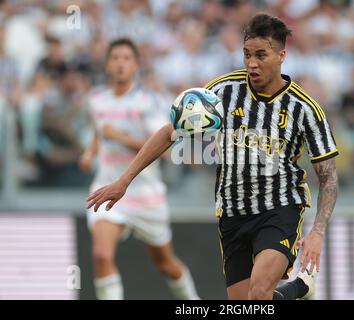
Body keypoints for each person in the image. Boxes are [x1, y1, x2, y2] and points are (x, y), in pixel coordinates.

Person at [87, 14, 339, 300]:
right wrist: (124, 180)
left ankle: (296, 287)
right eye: (246, 54)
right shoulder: (222, 91)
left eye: (261, 55)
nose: (251, 63)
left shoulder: (304, 108)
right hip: (232, 213)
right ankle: (300, 288)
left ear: (282, 55)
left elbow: (328, 177)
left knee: (258, 295)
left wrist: (317, 231)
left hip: (280, 207)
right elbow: (169, 133)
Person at [80, 38, 199, 300]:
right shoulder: (97, 99)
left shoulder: (149, 102)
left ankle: (193, 303)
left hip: (145, 194)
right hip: (107, 187)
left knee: (166, 264)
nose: (120, 64)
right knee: (101, 256)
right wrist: (89, 154)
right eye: (115, 58)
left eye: (126, 58)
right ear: (107, 65)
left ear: (136, 65)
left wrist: (119, 137)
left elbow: (162, 147)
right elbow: (99, 134)